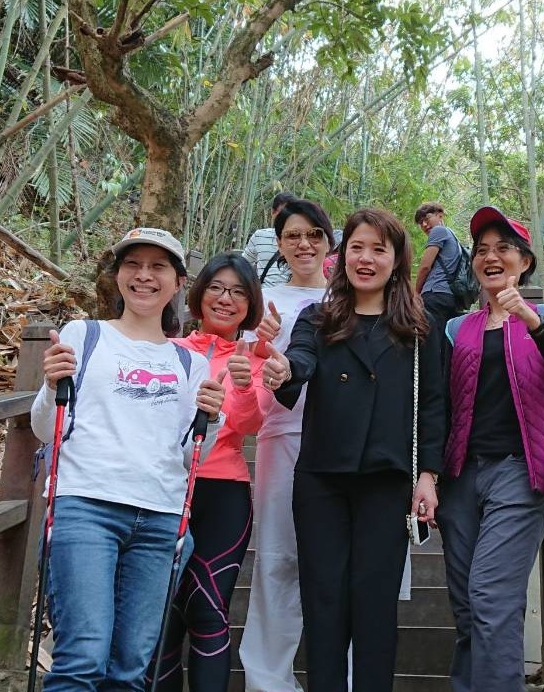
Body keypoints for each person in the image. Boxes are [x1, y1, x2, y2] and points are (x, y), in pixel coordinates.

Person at [30, 227, 227, 692]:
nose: (144, 276)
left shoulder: (189, 364)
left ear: (179, 283)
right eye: (132, 265)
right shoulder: (85, 335)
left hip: (160, 517)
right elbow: (46, 429)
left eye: (158, 267)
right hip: (86, 506)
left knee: (130, 669)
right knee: (82, 657)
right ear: (117, 276)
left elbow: (188, 456)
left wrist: (211, 419)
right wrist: (48, 385)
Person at [262, 207, 445, 692]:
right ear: (342, 255)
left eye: (379, 249)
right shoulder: (318, 318)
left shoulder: (419, 326)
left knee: (375, 604)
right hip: (322, 478)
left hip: (386, 482)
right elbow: (298, 362)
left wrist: (427, 474)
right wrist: (282, 371)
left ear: (396, 259)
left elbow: (432, 404)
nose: (366, 259)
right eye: (357, 247)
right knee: (324, 602)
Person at [436, 206, 544, 692]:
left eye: (503, 249)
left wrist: (530, 319)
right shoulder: (457, 329)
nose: (490, 257)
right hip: (461, 476)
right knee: (468, 605)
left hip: (521, 472)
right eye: (482, 251)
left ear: (524, 261)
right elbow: (439, 404)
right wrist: (428, 476)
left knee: (492, 595)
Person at [148, 252, 266, 692]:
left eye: (238, 291)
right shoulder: (168, 351)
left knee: (208, 606)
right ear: (198, 295)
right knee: (163, 612)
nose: (226, 298)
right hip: (165, 489)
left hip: (224, 492)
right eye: (217, 287)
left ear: (249, 304)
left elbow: (251, 425)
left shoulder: (255, 362)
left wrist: (244, 387)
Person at [238, 199, 336, 692]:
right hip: (281, 434)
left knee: (338, 564)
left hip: (342, 446)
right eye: (294, 235)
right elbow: (239, 375)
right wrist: (259, 342)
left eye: (314, 234)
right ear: (278, 243)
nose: (304, 244)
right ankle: (268, 680)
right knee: (277, 557)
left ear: (329, 243)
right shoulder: (261, 301)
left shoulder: (350, 297)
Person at [413, 202, 464, 331]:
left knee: (431, 342)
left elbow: (425, 266)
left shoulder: (438, 230)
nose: (424, 225)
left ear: (440, 215)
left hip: (435, 294)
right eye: (420, 223)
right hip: (449, 297)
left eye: (426, 219)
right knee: (444, 342)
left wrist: (416, 293)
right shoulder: (453, 236)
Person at [242, 191, 298, 287]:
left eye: (291, 215)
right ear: (273, 212)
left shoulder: (303, 242)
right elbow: (243, 265)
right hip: (264, 298)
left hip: (292, 298)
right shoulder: (259, 236)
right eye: (282, 214)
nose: (286, 219)